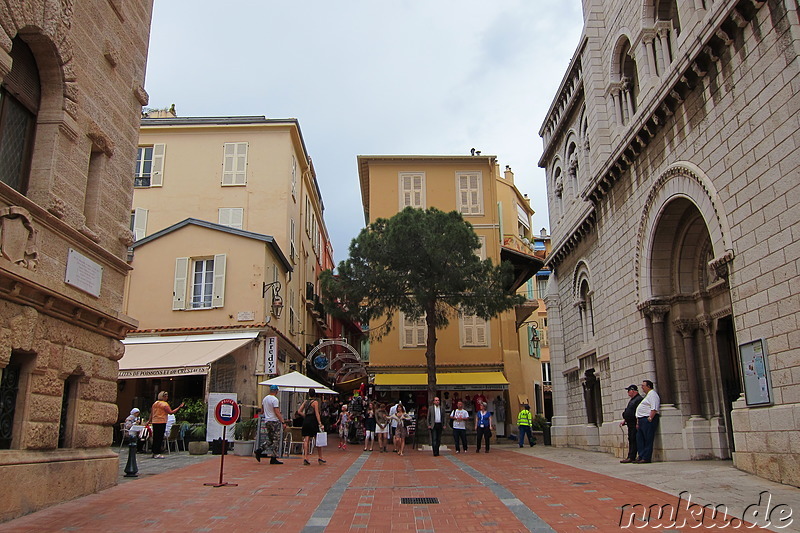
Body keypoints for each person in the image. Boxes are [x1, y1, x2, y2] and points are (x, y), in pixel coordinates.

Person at [255, 384, 288, 464]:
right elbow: (276, 411)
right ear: (276, 391)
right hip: (274, 421)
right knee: (276, 440)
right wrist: (282, 421)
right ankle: (273, 457)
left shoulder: (265, 399)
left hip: (267, 421)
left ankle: (260, 450)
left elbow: (262, 411)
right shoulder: (275, 400)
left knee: (270, 439)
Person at [148, 391, 184, 459]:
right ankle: (157, 452)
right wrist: (179, 407)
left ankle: (154, 452)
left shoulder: (155, 404)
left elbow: (152, 413)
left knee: (155, 437)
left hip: (155, 421)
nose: (167, 398)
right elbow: (171, 412)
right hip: (161, 421)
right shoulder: (164, 404)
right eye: (166, 396)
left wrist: (149, 421)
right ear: (164, 397)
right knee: (160, 437)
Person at [298, 388, 326, 465]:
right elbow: (317, 413)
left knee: (306, 439)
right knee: (318, 439)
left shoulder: (305, 402)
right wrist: (320, 423)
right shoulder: (315, 402)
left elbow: (299, 411)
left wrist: (305, 415)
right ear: (315, 394)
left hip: (306, 420)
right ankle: (320, 458)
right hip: (313, 421)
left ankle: (306, 458)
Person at [635, 380, 661, 464]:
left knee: (648, 438)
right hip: (642, 420)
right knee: (640, 438)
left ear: (648, 386)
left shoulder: (653, 395)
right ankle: (641, 455)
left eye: (643, 385)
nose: (642, 387)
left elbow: (654, 407)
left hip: (647, 419)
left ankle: (646, 457)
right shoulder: (647, 396)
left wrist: (650, 418)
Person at [620, 384, 643, 463]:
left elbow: (638, 412)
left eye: (629, 391)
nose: (628, 393)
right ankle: (630, 456)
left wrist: (637, 422)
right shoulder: (633, 399)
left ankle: (632, 456)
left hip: (634, 423)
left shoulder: (638, 399)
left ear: (633, 391)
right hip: (629, 422)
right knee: (631, 439)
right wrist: (625, 420)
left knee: (634, 439)